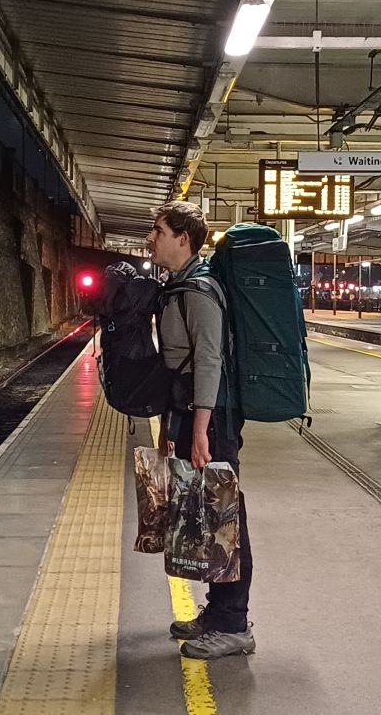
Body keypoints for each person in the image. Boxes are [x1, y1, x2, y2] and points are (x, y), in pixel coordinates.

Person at [145, 201, 254, 660]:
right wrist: (176, 425)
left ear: (183, 238)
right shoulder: (179, 286)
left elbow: (208, 360)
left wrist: (201, 431)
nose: (151, 239)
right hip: (190, 411)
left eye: (158, 231)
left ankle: (234, 624)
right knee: (206, 514)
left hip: (212, 416)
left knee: (226, 516)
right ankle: (218, 610)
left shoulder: (200, 292)